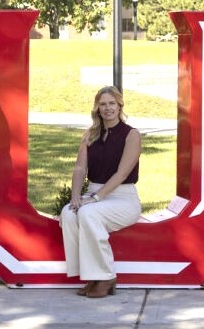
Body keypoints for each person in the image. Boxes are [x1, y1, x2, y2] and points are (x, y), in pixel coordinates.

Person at [60, 86, 142, 299]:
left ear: (119, 105)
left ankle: (106, 276)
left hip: (123, 198)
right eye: (103, 104)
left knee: (89, 214)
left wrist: (95, 198)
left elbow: (122, 174)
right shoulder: (90, 135)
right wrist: (76, 196)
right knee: (69, 213)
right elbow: (80, 168)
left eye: (112, 103)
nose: (107, 108)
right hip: (94, 195)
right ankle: (91, 276)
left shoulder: (131, 135)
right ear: (97, 108)